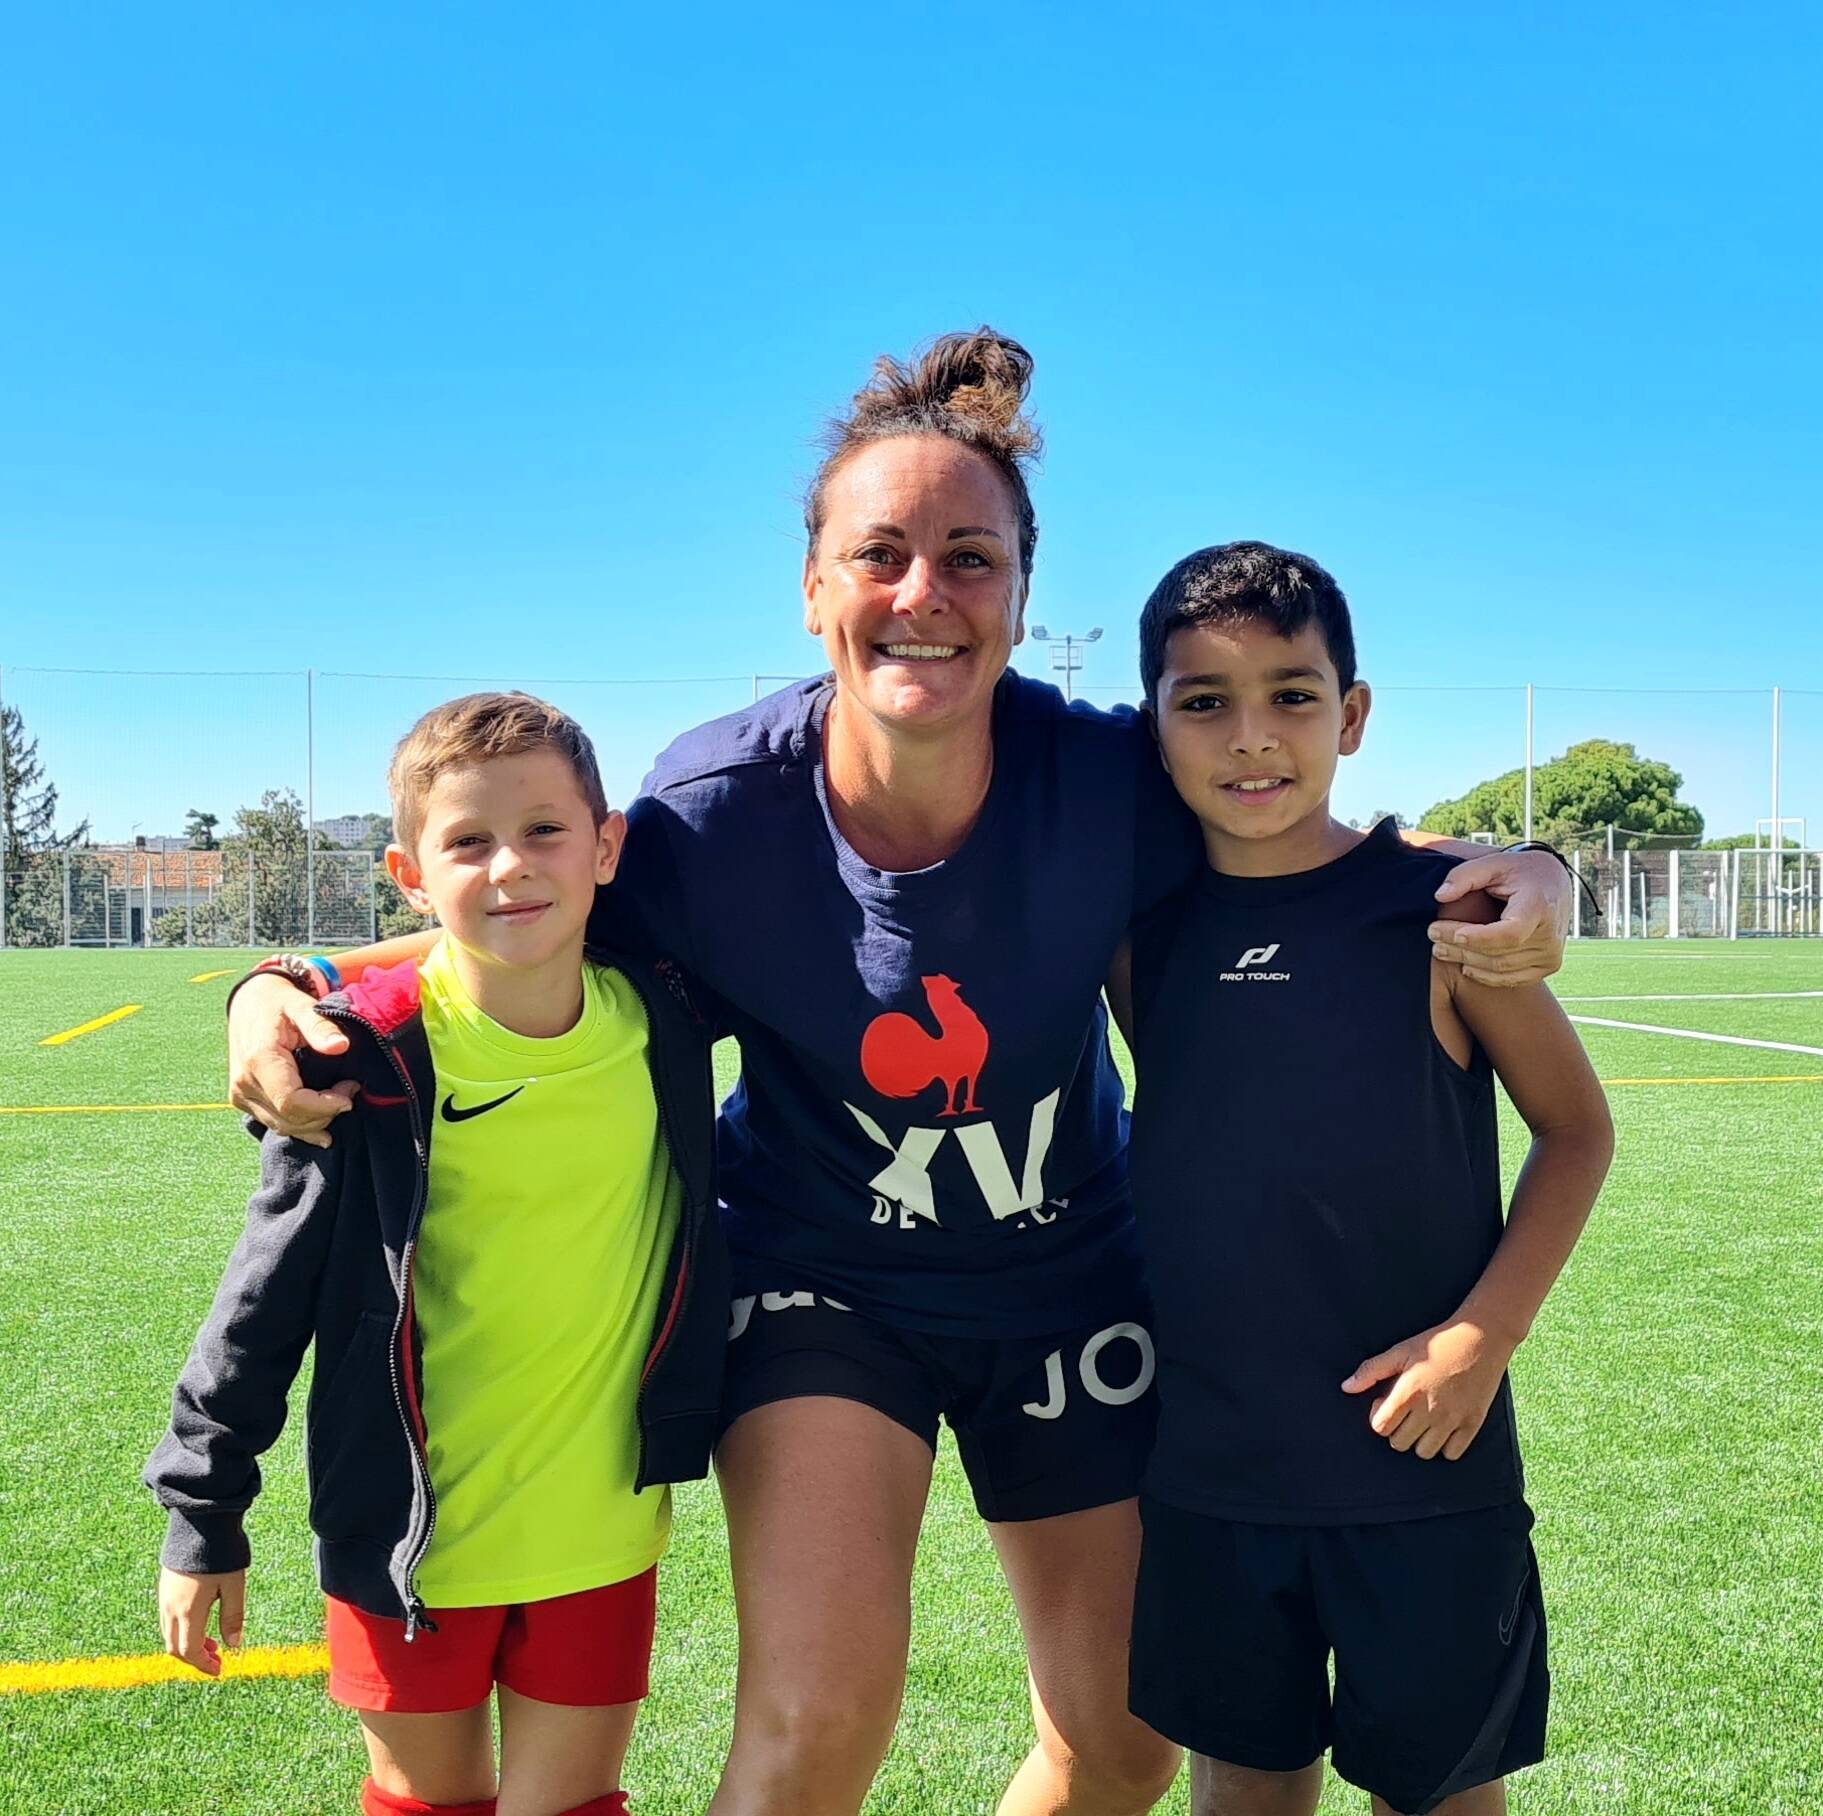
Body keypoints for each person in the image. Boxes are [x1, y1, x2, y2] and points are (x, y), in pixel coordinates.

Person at [223, 331, 1578, 1816]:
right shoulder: (706, 816)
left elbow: (1306, 836)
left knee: (1123, 1742)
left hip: (1070, 1281)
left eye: (969, 558)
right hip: (821, 1289)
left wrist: (1535, 865)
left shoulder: (1109, 780)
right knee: (815, 1721)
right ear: (812, 588)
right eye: (878, 554)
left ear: (1018, 592)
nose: (921, 595)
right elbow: (499, 921)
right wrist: (279, 986)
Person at [148, 694, 728, 1816]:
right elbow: (261, 1298)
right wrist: (202, 1510)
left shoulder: (664, 1015)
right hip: (405, 1543)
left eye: (546, 830)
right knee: (425, 1804)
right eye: (467, 840)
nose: (511, 865)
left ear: (606, 846)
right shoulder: (366, 1063)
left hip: (600, 1531)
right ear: (408, 873)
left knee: (572, 1804)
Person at [1117, 544, 1613, 1816]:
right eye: (1202, 701)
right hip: (1210, 1465)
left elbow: (1573, 1130)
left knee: (1439, 1791)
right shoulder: (1138, 930)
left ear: (1350, 713)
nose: (1250, 738)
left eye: (1290, 694)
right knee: (1242, 1782)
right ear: (1153, 723)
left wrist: (1480, 1335)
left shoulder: (1441, 914)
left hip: (1421, 1462)